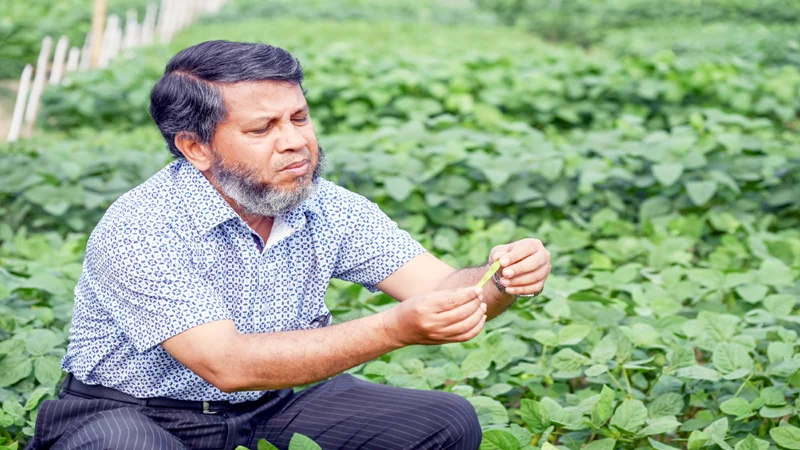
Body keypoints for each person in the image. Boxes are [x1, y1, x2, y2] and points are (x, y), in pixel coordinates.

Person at [25, 40, 551, 450]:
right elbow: (225, 364)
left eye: (299, 118)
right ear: (195, 147)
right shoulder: (141, 225)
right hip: (137, 412)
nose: (296, 140)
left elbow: (443, 288)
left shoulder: (328, 206)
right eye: (263, 128)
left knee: (444, 422)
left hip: (269, 407)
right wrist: (396, 328)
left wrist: (500, 279)